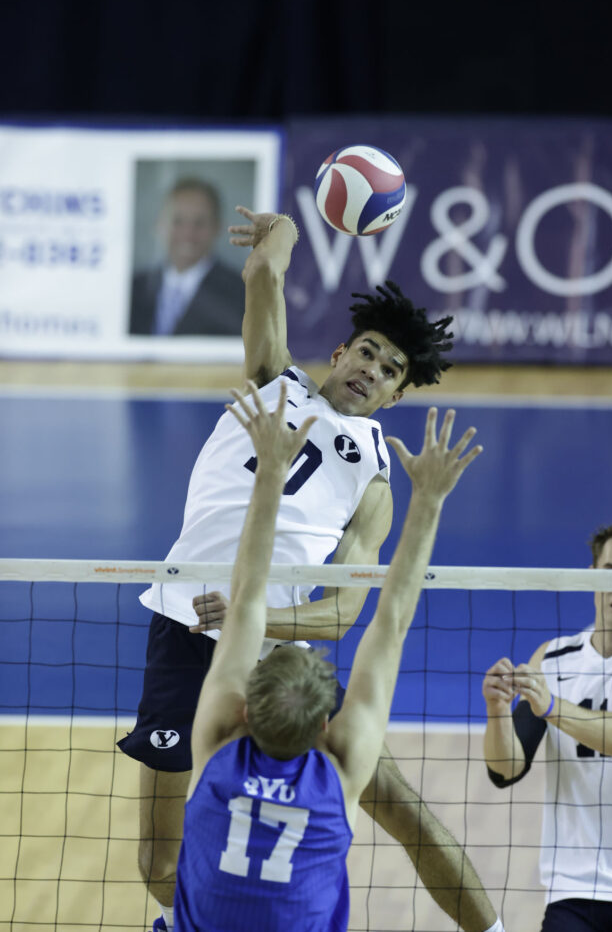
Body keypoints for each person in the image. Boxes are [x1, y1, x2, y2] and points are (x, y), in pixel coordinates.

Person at [119, 206, 498, 932]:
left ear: (394, 395)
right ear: (340, 351)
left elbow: (344, 614)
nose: (374, 372)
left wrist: (253, 617)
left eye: (391, 372)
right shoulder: (272, 381)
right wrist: (286, 225)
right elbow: (264, 268)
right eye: (368, 353)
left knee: (400, 809)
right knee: (157, 865)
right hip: (178, 633)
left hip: (278, 664)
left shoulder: (380, 478)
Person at [173, 382, 501, 932]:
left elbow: (247, 595)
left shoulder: (213, 751)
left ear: (244, 712)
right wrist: (429, 501)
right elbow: (390, 622)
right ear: (327, 724)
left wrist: (270, 474)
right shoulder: (341, 774)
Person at [482, 521, 612, 932]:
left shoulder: (552, 689)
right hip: (573, 888)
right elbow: (505, 770)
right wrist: (496, 711)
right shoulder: (555, 659)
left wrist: (552, 706)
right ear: (591, 575)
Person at [129, 177, 244, 336]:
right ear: (160, 225)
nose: (188, 233)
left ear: (217, 227)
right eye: (177, 221)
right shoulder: (133, 288)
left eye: (200, 223)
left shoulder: (241, 293)